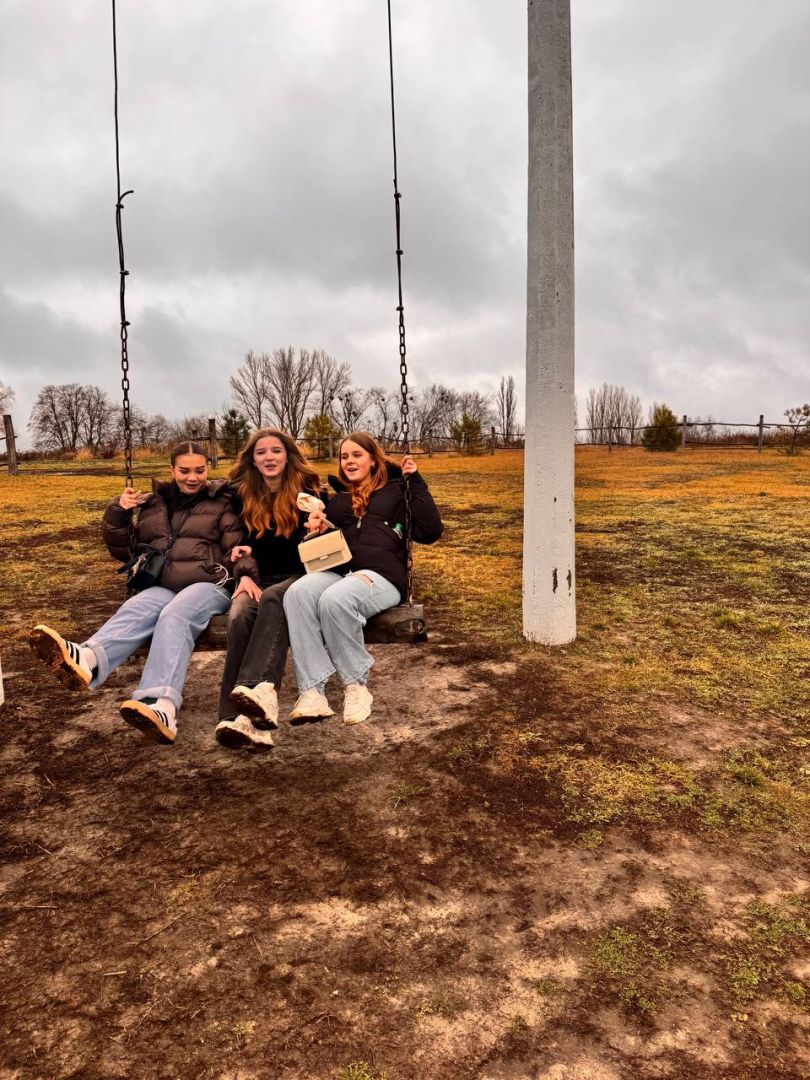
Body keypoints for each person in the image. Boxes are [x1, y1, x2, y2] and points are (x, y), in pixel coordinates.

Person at [29, 442, 243, 744]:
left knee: (175, 614)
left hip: (209, 585)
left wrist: (243, 571)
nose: (193, 477)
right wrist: (119, 512)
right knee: (138, 606)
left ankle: (161, 705)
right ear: (172, 470)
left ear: (208, 469)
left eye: (199, 470)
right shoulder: (153, 503)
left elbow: (237, 546)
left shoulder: (222, 502)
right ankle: (87, 660)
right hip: (163, 585)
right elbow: (127, 551)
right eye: (184, 471)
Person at [283, 431, 442, 726]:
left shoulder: (398, 491)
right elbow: (333, 546)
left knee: (336, 599)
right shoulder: (338, 502)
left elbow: (431, 531)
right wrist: (317, 527)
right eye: (344, 456)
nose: (349, 461)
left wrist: (416, 481)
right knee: (298, 593)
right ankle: (312, 691)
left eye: (357, 455)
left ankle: (355, 685)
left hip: (381, 577)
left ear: (372, 460)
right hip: (341, 573)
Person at [215, 428, 323, 751]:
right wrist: (243, 575)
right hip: (257, 577)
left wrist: (315, 529)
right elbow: (234, 541)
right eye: (261, 452)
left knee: (277, 599)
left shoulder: (309, 494)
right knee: (240, 613)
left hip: (298, 577)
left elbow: (320, 547)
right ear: (253, 460)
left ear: (288, 455)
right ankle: (231, 718)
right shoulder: (241, 496)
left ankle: (257, 703)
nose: (269, 457)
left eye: (276, 451)